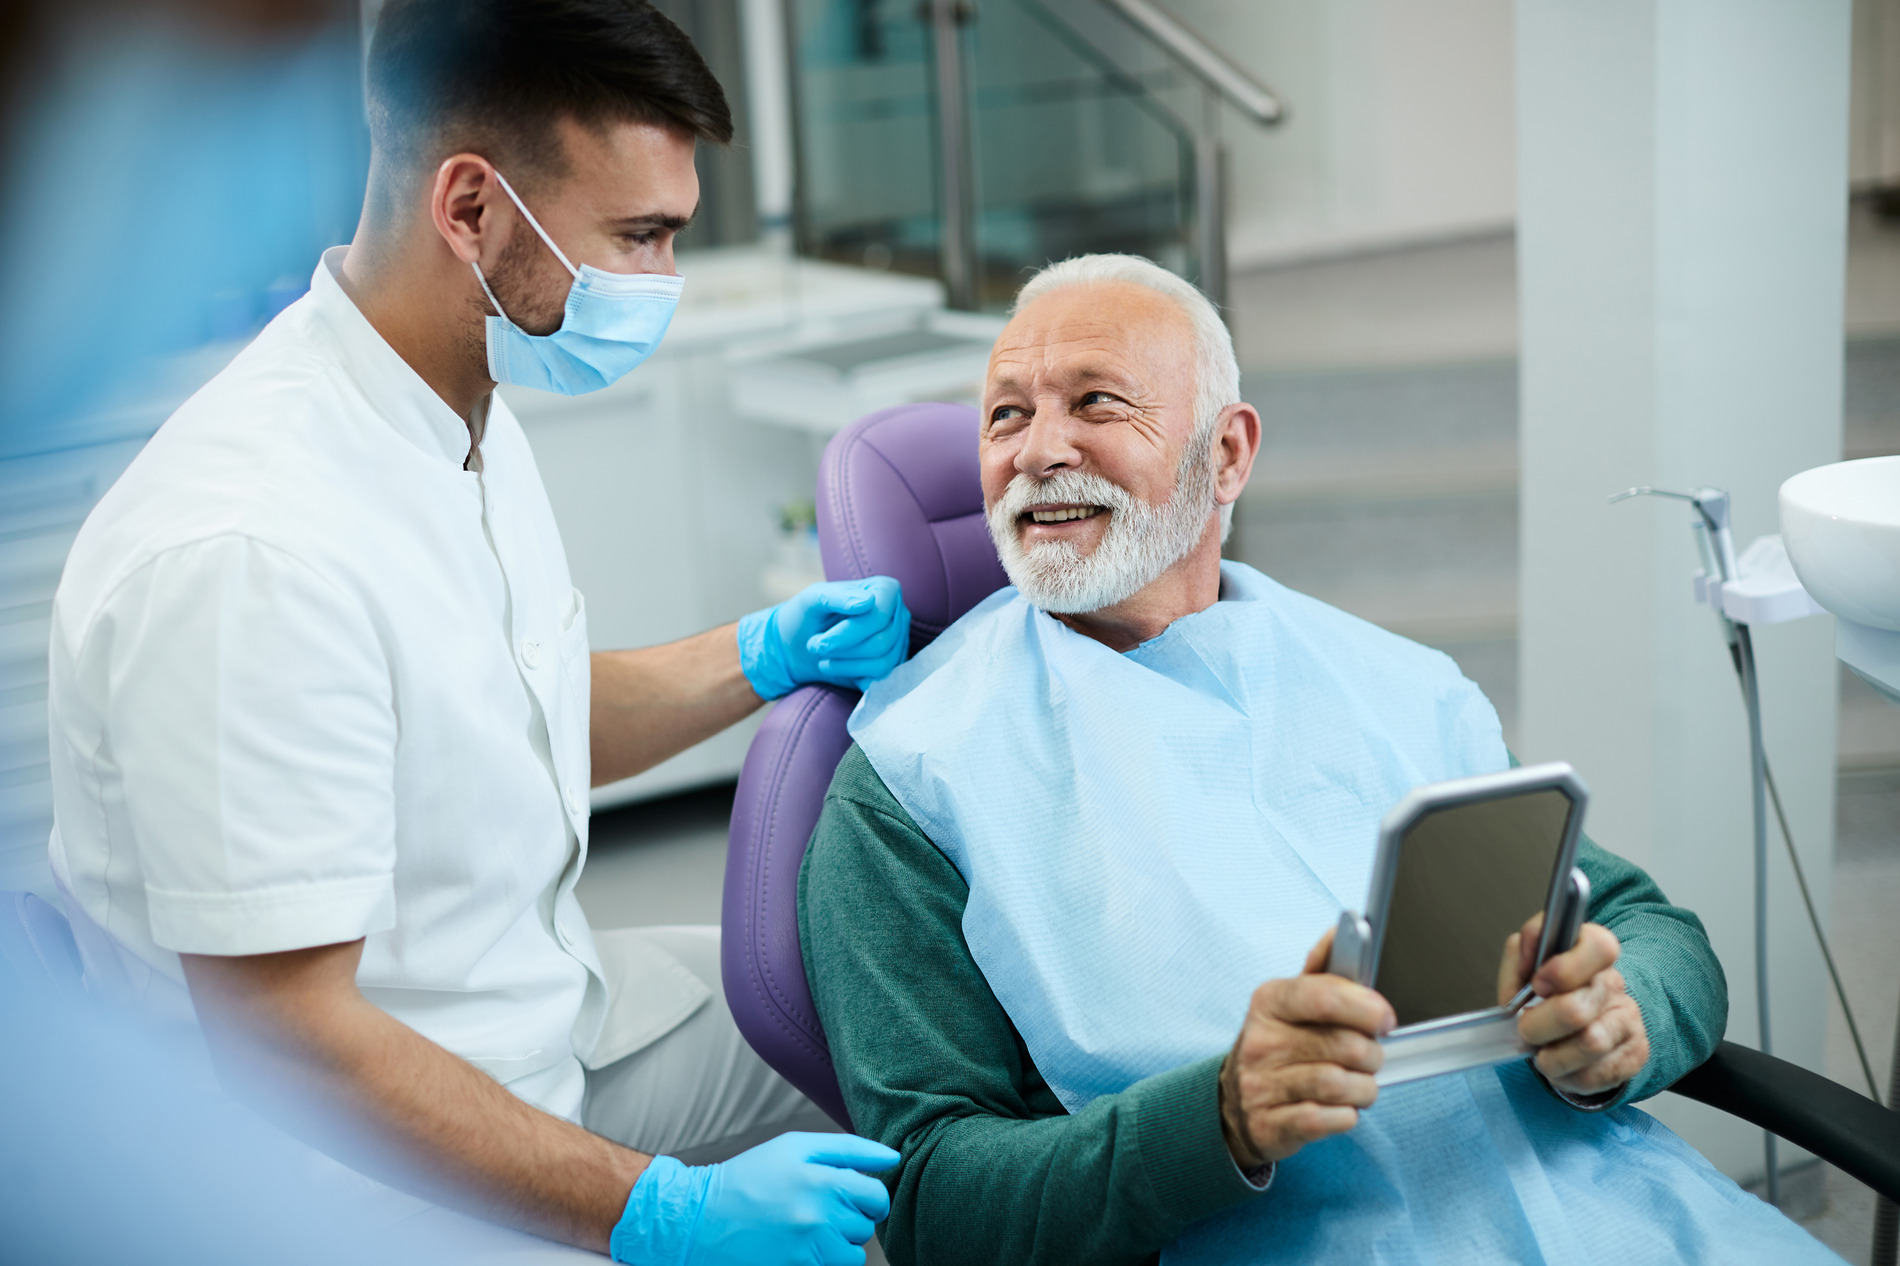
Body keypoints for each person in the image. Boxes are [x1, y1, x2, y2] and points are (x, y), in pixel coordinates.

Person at [45, 1, 906, 1261]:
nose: (659, 286)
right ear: (470, 210)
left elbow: (517, 719)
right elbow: (291, 1041)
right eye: (638, 238)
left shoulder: (454, 401)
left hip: (541, 1027)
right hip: (363, 1182)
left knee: (902, 1009)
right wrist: (653, 1212)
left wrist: (763, 654)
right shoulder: (249, 551)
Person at [798, 253, 1844, 1264]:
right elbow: (933, 1206)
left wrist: (1627, 1019)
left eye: (1096, 403)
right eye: (1007, 414)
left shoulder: (1391, 683)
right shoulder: (909, 783)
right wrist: (1218, 1119)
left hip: (1616, 1212)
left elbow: (1651, 930)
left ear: (1229, 453)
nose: (1036, 451)